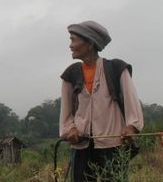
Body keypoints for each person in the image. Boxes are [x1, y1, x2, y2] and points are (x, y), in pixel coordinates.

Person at [59, 20, 144, 181]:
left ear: (89, 43)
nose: (70, 45)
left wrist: (132, 127)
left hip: (112, 146)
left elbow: (132, 104)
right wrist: (69, 129)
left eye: (73, 39)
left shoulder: (117, 69)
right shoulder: (70, 75)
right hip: (81, 147)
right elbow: (66, 113)